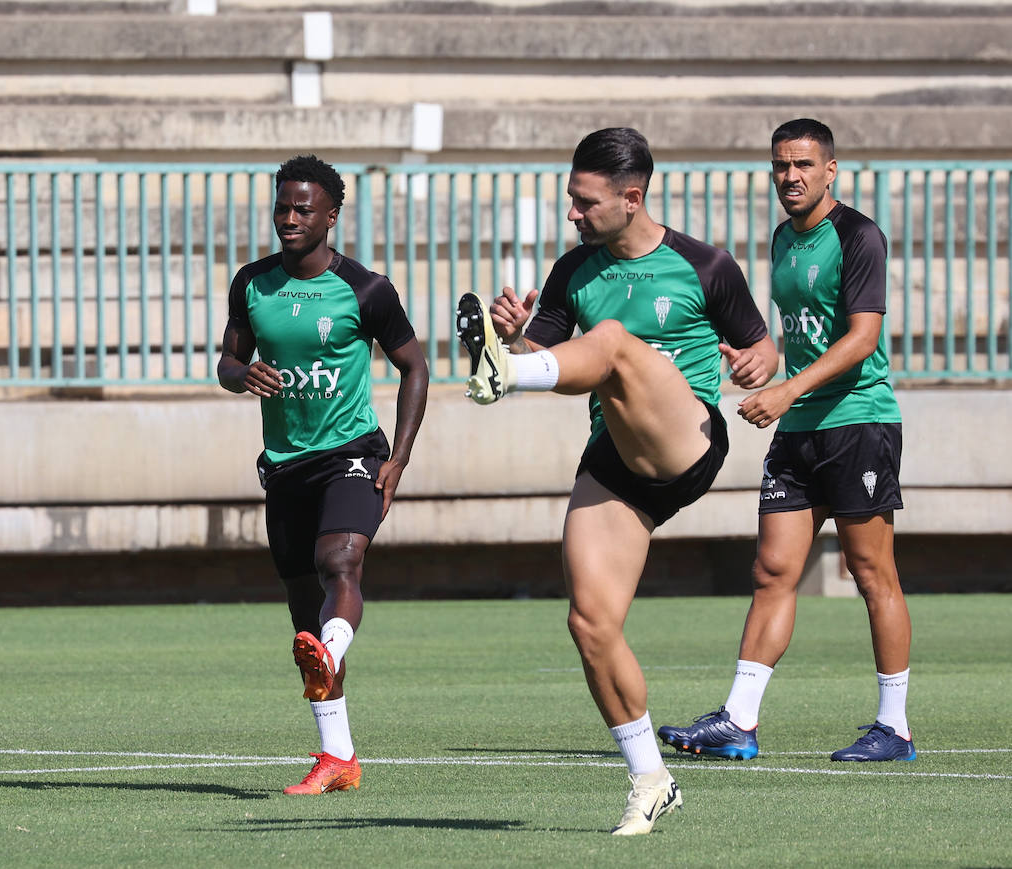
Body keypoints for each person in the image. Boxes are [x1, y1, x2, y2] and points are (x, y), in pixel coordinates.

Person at [456, 127, 777, 834]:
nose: (572, 213)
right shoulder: (575, 272)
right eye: (572, 199)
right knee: (591, 623)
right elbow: (558, 360)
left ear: (632, 199)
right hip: (615, 458)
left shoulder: (706, 266)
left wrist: (759, 364)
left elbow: (759, 345)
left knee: (613, 344)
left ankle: (505, 380)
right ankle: (650, 778)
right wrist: (517, 340)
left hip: (685, 440)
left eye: (585, 202)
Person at [657, 119, 913, 763]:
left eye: (802, 165)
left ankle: (895, 727)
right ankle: (739, 721)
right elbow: (793, 336)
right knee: (772, 571)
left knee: (870, 572)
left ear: (831, 170)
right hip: (799, 428)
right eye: (780, 166)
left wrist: (787, 391)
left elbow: (860, 341)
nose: (790, 177)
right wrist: (758, 364)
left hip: (857, 421)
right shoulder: (782, 238)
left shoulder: (859, 237)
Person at [217, 154, 428, 795]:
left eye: (302, 209)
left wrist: (399, 459)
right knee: (301, 607)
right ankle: (337, 756)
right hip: (284, 467)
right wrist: (241, 375)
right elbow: (228, 360)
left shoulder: (366, 289)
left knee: (341, 562)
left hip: (353, 452)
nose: (289, 219)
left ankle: (332, 647)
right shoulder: (251, 283)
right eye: (281, 207)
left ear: (330, 216)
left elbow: (415, 367)